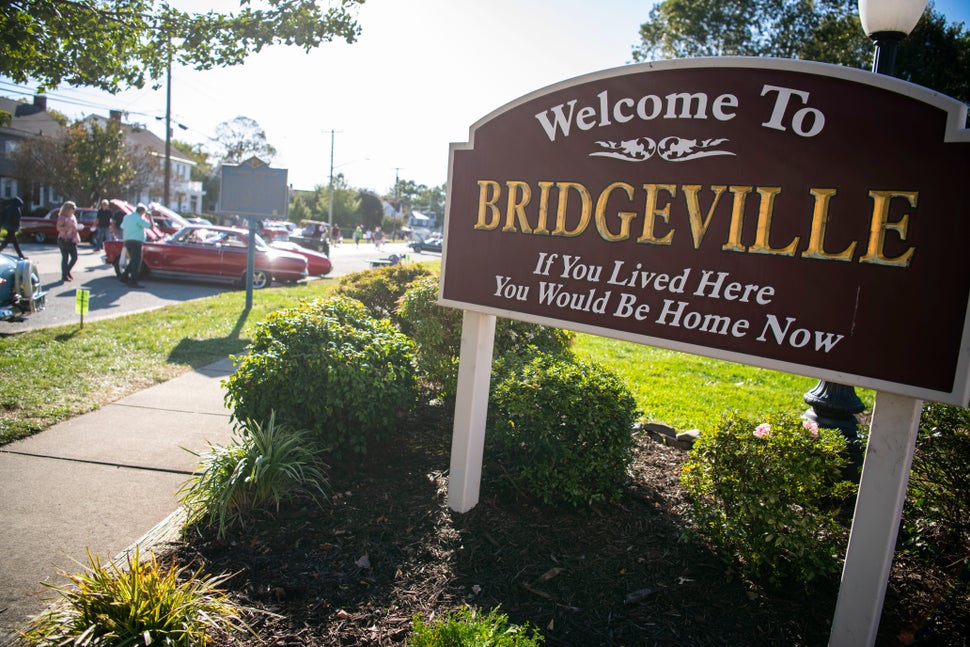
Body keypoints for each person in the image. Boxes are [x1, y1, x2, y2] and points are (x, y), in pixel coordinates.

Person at [119, 203, 151, 288]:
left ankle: (124, 276)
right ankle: (133, 281)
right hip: (136, 241)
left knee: (133, 260)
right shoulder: (138, 219)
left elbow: (123, 228)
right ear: (142, 212)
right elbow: (150, 226)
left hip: (128, 240)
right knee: (137, 262)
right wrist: (150, 217)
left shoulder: (127, 217)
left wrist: (124, 240)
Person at [56, 200, 80, 282]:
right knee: (65, 258)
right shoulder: (62, 217)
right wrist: (68, 228)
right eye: (73, 208)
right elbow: (58, 228)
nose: (74, 210)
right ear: (68, 209)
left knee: (74, 257)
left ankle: (66, 272)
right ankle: (64, 275)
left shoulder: (72, 217)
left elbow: (74, 226)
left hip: (71, 239)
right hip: (63, 239)